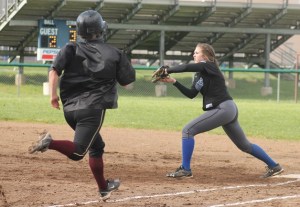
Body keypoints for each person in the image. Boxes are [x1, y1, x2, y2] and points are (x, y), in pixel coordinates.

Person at [28, 10, 135, 200]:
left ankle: (104, 188)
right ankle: (49, 143)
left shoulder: (69, 48)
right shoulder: (114, 53)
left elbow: (54, 73)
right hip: (92, 109)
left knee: (97, 146)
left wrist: (53, 97)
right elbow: (127, 84)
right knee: (78, 152)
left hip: (69, 110)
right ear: (100, 30)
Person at [158, 43, 283, 179]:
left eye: (196, 52)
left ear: (205, 56)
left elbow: (187, 67)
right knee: (244, 145)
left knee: (188, 131)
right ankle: (274, 166)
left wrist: (168, 69)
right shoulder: (199, 75)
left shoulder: (209, 65)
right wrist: (174, 81)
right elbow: (191, 94)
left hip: (223, 108)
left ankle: (186, 169)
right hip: (227, 109)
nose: (194, 55)